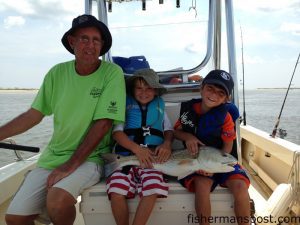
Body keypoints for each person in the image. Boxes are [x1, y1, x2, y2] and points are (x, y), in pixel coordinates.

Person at [1, 14, 126, 225]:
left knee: (57, 202)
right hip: (53, 157)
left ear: (102, 45)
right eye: (84, 38)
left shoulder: (112, 73)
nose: (90, 45)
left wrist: (70, 165)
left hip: (90, 159)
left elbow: (104, 123)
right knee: (15, 218)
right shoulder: (56, 73)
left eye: (96, 40)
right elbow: (33, 115)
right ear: (72, 42)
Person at [173, 69, 250, 225]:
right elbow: (176, 132)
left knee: (241, 186)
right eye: (210, 89)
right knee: (202, 185)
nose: (214, 95)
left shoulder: (225, 117)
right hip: (195, 160)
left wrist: (215, 166)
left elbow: (228, 144)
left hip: (220, 159)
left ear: (226, 99)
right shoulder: (188, 111)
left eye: (220, 93)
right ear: (202, 87)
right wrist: (188, 137)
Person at [106, 68, 173, 225]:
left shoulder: (160, 107)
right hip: (127, 160)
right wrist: (137, 149)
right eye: (139, 88)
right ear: (132, 89)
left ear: (156, 91)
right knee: (116, 189)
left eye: (149, 88)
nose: (144, 92)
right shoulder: (125, 106)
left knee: (153, 188)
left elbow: (169, 130)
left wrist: (167, 144)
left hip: (152, 161)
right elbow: (117, 133)